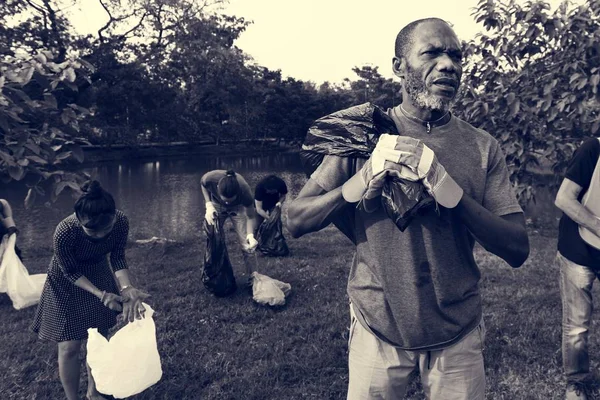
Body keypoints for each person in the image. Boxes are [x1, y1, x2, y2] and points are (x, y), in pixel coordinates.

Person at [287, 18, 530, 400]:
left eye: (455, 55)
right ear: (399, 66)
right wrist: (357, 182)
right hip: (377, 324)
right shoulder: (363, 134)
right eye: (432, 53)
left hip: (457, 329)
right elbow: (295, 219)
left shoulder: (483, 146)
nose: (449, 64)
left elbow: (517, 249)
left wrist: (450, 191)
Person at [31, 180, 150, 400]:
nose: (99, 236)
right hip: (67, 282)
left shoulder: (121, 221)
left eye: (106, 229)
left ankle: (94, 392)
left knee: (98, 337)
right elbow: (71, 271)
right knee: (69, 346)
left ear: (113, 216)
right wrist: (100, 294)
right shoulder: (64, 231)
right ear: (79, 220)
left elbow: (117, 257)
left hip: (98, 272)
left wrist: (127, 287)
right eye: (92, 231)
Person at [554, 137, 600, 400]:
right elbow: (564, 199)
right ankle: (576, 382)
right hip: (579, 250)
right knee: (577, 324)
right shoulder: (593, 149)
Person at [201, 169, 259, 283]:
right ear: (217, 189)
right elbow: (203, 184)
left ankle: (254, 278)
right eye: (226, 200)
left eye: (230, 200)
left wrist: (251, 235)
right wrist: (208, 204)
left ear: (238, 193)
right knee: (212, 239)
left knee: (248, 246)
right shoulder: (210, 178)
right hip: (216, 205)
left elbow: (251, 217)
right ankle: (212, 275)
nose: (227, 203)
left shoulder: (245, 192)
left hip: (238, 208)